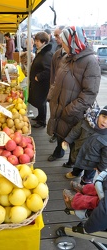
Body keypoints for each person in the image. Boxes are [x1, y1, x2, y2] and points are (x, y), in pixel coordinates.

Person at [47, 26, 101, 163]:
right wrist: (51, 96)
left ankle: (73, 163)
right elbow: (56, 80)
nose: (61, 45)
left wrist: (69, 110)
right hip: (59, 106)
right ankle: (58, 152)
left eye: (64, 42)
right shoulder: (66, 57)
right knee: (60, 133)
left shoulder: (91, 62)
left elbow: (90, 93)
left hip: (74, 111)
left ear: (72, 42)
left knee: (72, 139)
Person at [63, 105, 107, 184]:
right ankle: (76, 173)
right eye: (104, 116)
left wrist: (101, 168)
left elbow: (105, 156)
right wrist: (67, 140)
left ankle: (85, 183)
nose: (105, 121)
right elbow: (75, 131)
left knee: (88, 176)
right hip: (79, 152)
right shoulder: (87, 121)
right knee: (77, 165)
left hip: (92, 162)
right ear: (99, 114)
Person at [28, 31, 53, 128]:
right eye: (35, 40)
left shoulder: (47, 54)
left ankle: (42, 121)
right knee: (39, 101)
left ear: (43, 42)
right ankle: (39, 117)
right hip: (38, 83)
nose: (35, 42)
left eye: (37, 41)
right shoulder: (41, 51)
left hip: (42, 83)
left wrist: (38, 76)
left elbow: (49, 70)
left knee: (42, 102)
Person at [47, 25, 65, 143]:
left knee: (62, 119)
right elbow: (52, 73)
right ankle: (55, 134)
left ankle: (60, 147)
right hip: (55, 89)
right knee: (54, 115)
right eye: (55, 36)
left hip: (66, 92)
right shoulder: (57, 52)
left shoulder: (74, 55)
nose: (56, 38)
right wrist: (51, 89)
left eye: (57, 36)